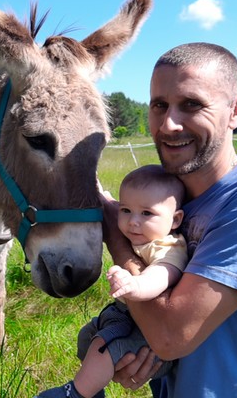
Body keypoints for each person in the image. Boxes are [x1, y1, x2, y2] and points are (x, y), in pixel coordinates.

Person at [105, 42, 237, 397]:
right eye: (159, 106)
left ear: (236, 111)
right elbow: (162, 339)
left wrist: (116, 235)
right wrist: (136, 352)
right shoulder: (167, 203)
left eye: (191, 105)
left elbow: (171, 336)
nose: (169, 124)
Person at [36, 164, 188, 398]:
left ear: (175, 219)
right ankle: (94, 389)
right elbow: (110, 203)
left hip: (147, 331)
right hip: (127, 313)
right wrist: (97, 190)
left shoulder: (168, 247)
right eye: (126, 210)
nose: (133, 221)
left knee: (105, 345)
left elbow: (163, 273)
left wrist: (135, 284)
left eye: (146, 213)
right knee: (87, 337)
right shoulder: (144, 234)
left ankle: (76, 393)